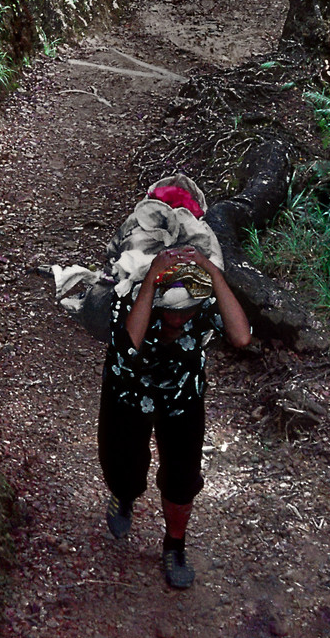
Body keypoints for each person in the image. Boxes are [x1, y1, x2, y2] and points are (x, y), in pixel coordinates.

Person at [99, 241, 251, 589]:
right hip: (128, 392)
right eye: (172, 309)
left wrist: (213, 272)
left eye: (187, 310)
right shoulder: (130, 296)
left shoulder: (200, 302)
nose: (180, 317)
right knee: (121, 462)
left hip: (182, 396)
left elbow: (241, 336)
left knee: (182, 478)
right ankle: (124, 494)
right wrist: (153, 279)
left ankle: (174, 545)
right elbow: (126, 351)